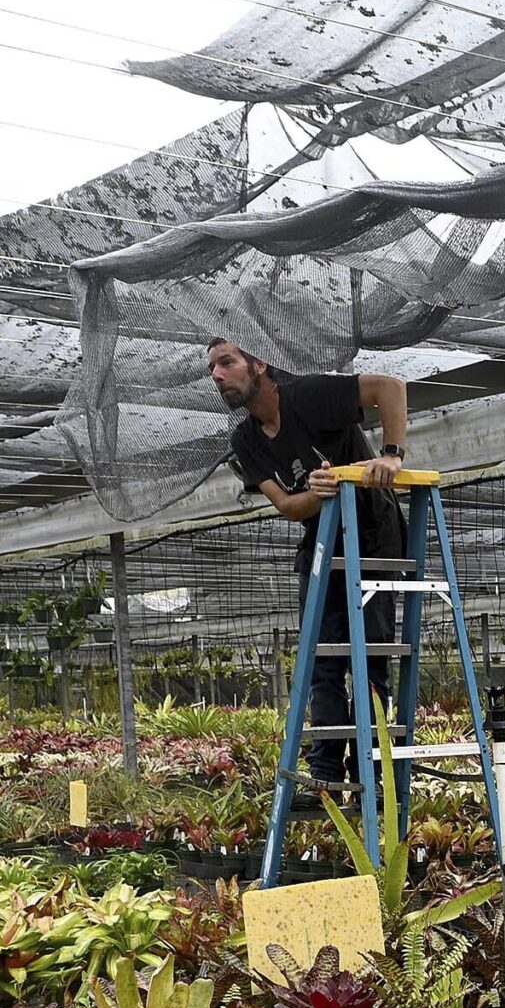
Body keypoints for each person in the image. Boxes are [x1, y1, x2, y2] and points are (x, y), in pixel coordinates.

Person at [209, 338, 413, 791]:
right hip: (321, 540)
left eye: (227, 362)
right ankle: (326, 775)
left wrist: (391, 455)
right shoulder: (245, 439)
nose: (218, 375)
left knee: (370, 659)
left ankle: (369, 771)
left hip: (372, 534)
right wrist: (318, 493)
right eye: (212, 370)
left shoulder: (307, 395)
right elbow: (287, 505)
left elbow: (391, 388)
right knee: (322, 661)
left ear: (259, 364)